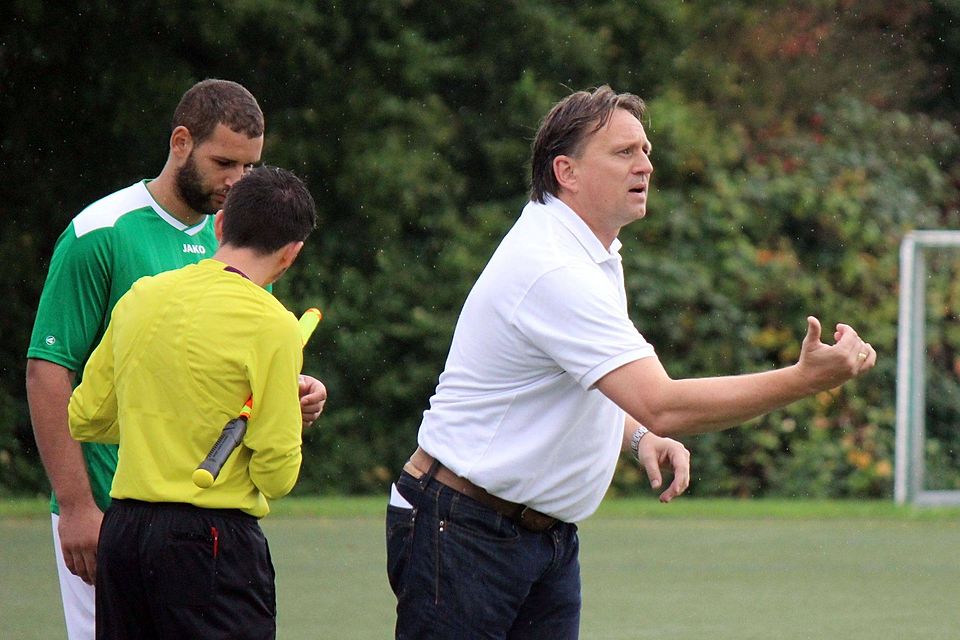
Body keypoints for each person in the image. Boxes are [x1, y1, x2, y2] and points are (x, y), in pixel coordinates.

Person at [385, 85, 877, 639]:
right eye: (624, 152)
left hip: (537, 536)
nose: (645, 165)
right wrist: (804, 380)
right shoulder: (554, 268)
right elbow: (663, 404)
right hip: (463, 527)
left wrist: (638, 437)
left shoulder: (589, 250)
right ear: (566, 172)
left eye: (645, 150)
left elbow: (592, 386)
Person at [25, 79, 327, 639]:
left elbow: (234, 370)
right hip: (108, 505)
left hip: (202, 519)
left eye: (250, 167)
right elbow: (48, 369)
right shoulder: (101, 232)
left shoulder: (240, 233)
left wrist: (290, 391)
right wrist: (76, 505)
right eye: (224, 163)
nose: (237, 181)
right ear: (181, 142)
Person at [67, 164, 316, 639]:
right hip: (211, 543)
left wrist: (165, 417)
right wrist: (280, 413)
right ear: (292, 252)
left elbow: (87, 418)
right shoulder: (274, 324)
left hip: (124, 535)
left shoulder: (141, 296)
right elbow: (276, 475)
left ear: (220, 225)